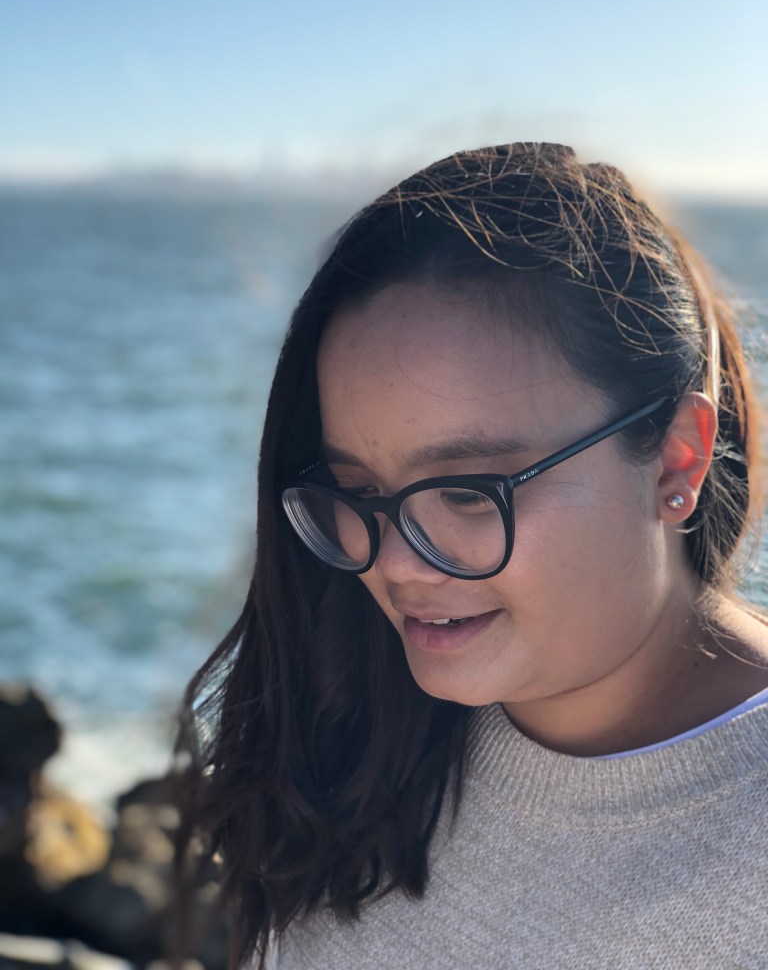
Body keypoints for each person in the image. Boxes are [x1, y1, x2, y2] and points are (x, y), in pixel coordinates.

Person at [178, 143, 768, 969]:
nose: (396, 563)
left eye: (465, 491)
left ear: (678, 459)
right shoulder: (353, 740)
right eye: (358, 490)